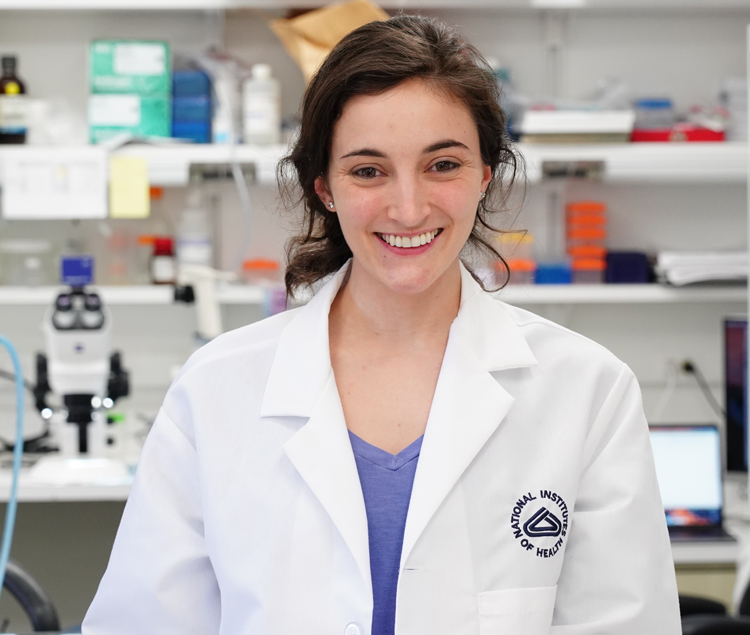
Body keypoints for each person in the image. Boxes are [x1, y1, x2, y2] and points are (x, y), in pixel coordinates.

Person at [83, 14, 681, 635]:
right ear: (325, 189)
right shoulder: (215, 391)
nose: (408, 207)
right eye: (368, 170)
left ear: (484, 176)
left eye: (442, 165)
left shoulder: (586, 390)